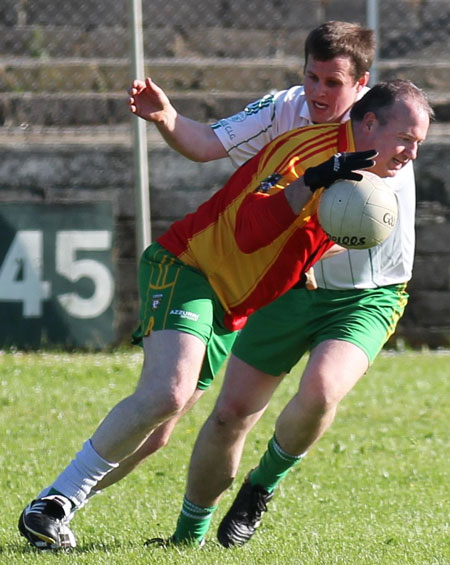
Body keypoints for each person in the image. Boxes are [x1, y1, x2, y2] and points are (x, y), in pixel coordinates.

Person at [18, 69, 393, 550]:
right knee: (169, 393)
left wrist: (308, 255)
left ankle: (51, 507)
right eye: (404, 137)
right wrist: (310, 186)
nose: (411, 151)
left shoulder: (365, 174)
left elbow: (313, 234)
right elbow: (250, 229)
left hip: (228, 305)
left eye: (418, 140)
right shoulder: (307, 152)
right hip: (188, 268)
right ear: (369, 122)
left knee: (155, 435)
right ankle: (55, 504)